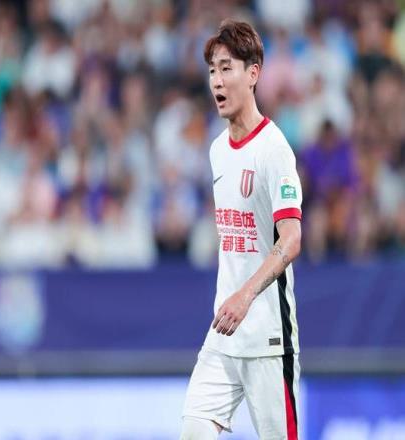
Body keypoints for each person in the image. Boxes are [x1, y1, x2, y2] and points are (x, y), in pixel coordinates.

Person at [180, 20, 303, 440]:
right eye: (212, 70)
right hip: (223, 335)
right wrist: (231, 300)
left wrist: (245, 296)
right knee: (193, 432)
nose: (216, 80)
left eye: (226, 68)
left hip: (267, 338)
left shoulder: (274, 150)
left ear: (253, 74)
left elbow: (291, 239)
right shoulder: (218, 150)